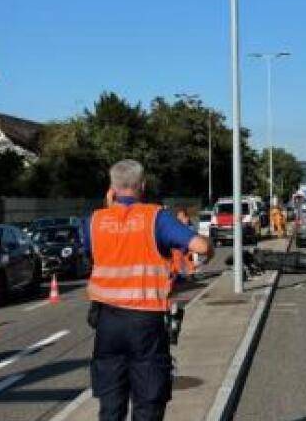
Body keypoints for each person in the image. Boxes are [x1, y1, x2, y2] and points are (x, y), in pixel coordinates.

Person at [82, 160, 212, 421]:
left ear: (112, 188)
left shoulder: (94, 221)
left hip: (106, 323)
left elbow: (94, 253)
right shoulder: (155, 217)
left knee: (110, 405)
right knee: (148, 402)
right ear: (142, 186)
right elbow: (200, 247)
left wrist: (111, 209)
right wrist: (208, 248)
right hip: (145, 322)